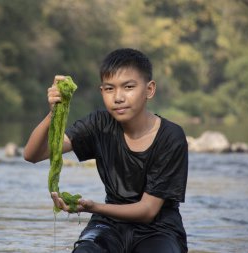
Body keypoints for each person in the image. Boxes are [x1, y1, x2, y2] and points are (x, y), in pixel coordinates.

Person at [23, 48, 188, 253]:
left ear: (149, 89)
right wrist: (54, 112)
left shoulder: (171, 136)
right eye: (110, 89)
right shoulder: (99, 124)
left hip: (159, 229)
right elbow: (33, 154)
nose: (118, 97)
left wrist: (93, 207)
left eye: (128, 87)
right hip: (108, 225)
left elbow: (148, 211)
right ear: (102, 92)